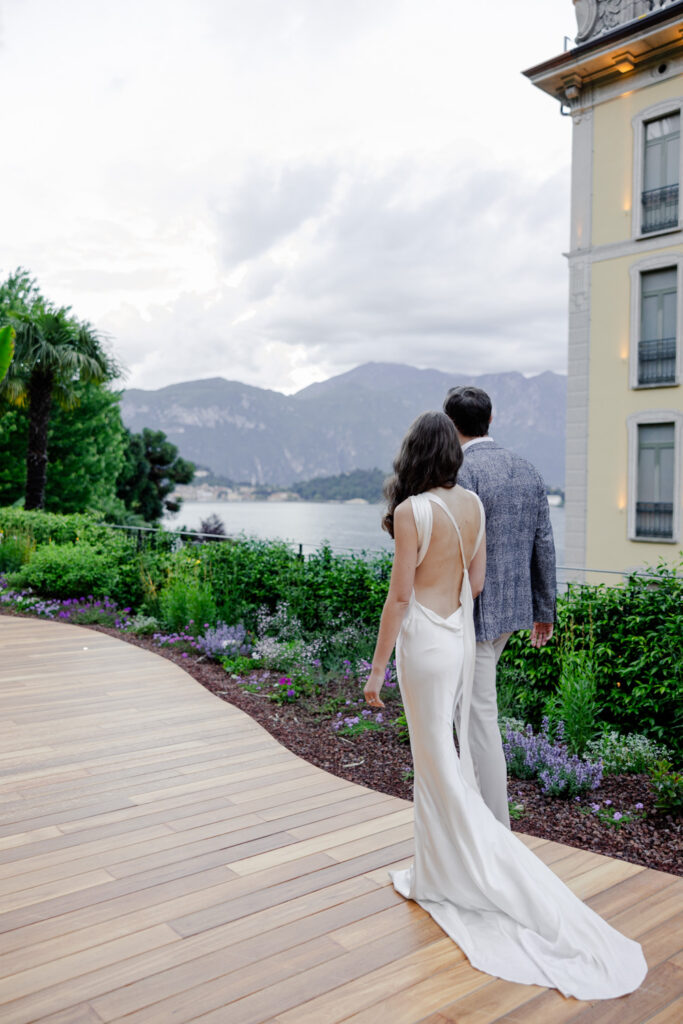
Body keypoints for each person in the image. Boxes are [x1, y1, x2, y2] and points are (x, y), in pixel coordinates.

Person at [363, 411, 645, 999]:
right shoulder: (472, 506)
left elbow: (399, 594)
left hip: (424, 643)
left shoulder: (414, 511)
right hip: (460, 640)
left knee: (434, 760)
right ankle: (438, 871)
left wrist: (376, 667)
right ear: (455, 453)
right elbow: (481, 580)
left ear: (414, 453)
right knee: (444, 757)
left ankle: (472, 868)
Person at [442, 385, 556, 828]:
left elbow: (453, 550)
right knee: (469, 711)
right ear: (490, 420)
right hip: (512, 613)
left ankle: (495, 830)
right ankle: (473, 811)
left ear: (452, 427)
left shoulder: (459, 472)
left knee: (477, 717)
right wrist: (544, 609)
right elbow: (544, 542)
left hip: (470, 615)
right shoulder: (527, 468)